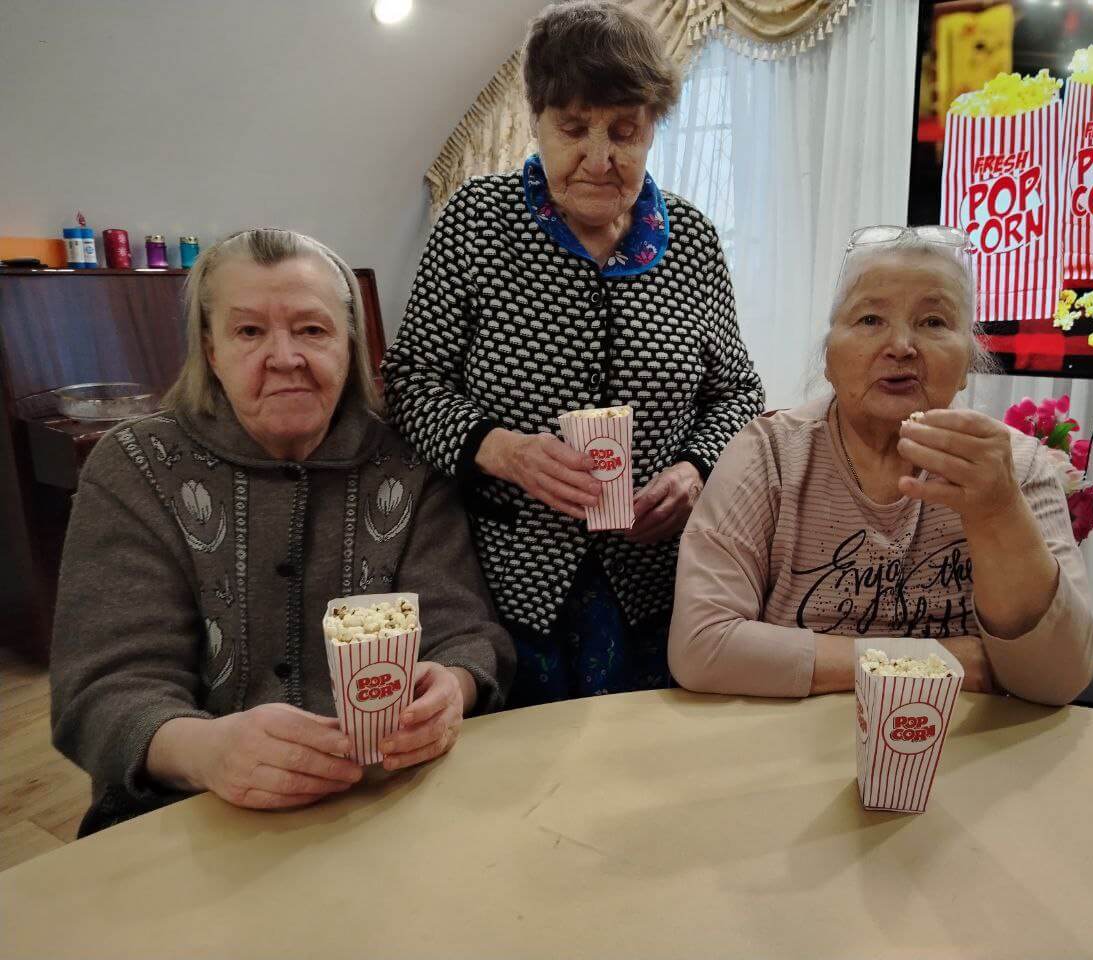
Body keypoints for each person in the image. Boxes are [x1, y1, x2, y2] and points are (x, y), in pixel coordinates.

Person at [50, 228, 515, 835]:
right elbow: (101, 691)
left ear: (351, 344)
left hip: (387, 801)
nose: (285, 357)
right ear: (210, 350)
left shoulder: (407, 463)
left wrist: (452, 687)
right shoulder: (135, 466)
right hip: (186, 817)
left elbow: (466, 635)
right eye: (248, 331)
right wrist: (207, 751)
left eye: (312, 330)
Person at [382, 1, 764, 706]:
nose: (598, 158)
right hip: (507, 577)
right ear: (536, 120)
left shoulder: (692, 241)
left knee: (645, 756)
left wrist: (694, 469)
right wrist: (501, 449)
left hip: (655, 580)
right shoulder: (476, 222)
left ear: (652, 128)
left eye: (624, 131)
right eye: (573, 128)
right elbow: (410, 382)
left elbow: (737, 392)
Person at [669, 226, 1093, 706]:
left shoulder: (1015, 466)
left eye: (933, 321)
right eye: (870, 319)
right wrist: (941, 661)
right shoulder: (769, 454)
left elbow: (1059, 678)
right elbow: (701, 646)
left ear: (967, 364)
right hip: (795, 737)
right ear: (829, 358)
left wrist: (998, 511)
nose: (901, 345)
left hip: (968, 742)